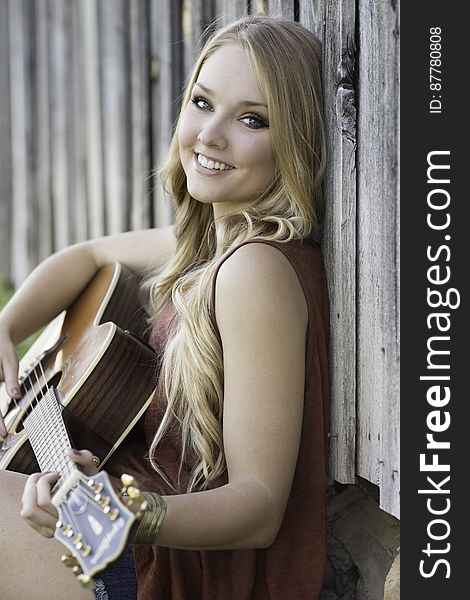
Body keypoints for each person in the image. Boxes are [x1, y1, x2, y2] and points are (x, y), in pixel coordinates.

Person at [0, 14, 330, 600]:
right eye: (203, 103)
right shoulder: (211, 245)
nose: (211, 134)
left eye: (252, 119)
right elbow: (89, 253)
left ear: (295, 141)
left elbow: (259, 506)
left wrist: (129, 512)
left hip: (176, 570)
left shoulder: (256, 271)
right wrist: (7, 326)